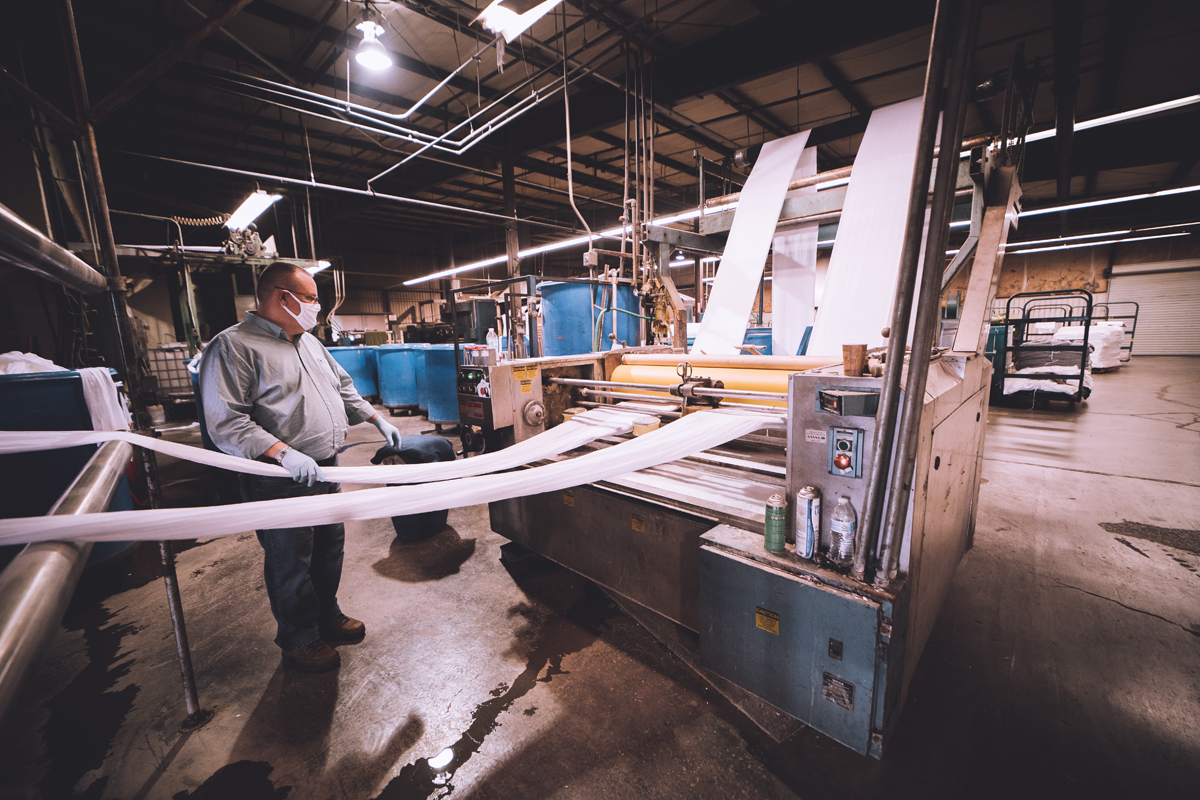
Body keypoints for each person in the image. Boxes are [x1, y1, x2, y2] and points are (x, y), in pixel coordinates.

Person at [199, 262, 402, 672]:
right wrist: (284, 453)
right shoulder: (233, 347)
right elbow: (227, 422)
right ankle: (298, 637)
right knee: (290, 560)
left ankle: (326, 615)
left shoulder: (309, 342)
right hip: (280, 477)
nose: (317, 307)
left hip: (326, 468)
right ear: (283, 297)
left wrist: (375, 418)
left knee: (328, 550)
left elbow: (342, 387)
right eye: (311, 299)